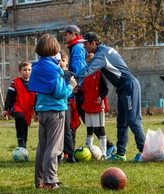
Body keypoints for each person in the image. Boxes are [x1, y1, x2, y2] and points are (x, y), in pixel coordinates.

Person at [75, 32, 146, 162]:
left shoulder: (101, 55)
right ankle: (120, 153)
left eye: (86, 44)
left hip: (129, 86)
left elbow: (89, 69)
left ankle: (144, 151)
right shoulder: (104, 50)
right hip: (122, 87)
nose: (84, 46)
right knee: (122, 122)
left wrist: (73, 78)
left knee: (133, 120)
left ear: (93, 43)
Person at [28, 34, 76, 189]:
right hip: (56, 111)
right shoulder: (55, 69)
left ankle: (39, 180)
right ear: (54, 49)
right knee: (54, 147)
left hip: (41, 111)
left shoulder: (35, 67)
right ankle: (51, 179)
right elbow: (60, 92)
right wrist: (71, 86)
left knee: (42, 146)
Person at [80, 52, 113, 159]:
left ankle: (104, 152)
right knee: (89, 128)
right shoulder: (85, 73)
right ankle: (88, 149)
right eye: (88, 62)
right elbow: (82, 90)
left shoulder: (100, 73)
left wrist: (100, 97)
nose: (90, 64)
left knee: (100, 128)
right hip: (88, 104)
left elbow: (105, 89)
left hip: (97, 105)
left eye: (92, 61)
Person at [3, 60, 36, 149]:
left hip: (28, 110)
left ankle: (23, 145)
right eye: (24, 70)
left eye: (29, 70)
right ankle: (20, 143)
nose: (27, 72)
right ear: (20, 71)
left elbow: (37, 99)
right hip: (17, 108)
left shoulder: (34, 83)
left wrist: (37, 112)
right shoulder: (15, 82)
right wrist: (6, 108)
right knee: (20, 120)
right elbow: (9, 96)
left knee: (25, 128)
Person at [60, 25, 87, 123]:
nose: (65, 37)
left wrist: (76, 84)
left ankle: (103, 138)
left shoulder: (77, 48)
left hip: (79, 85)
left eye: (66, 35)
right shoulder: (77, 46)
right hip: (80, 84)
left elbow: (78, 67)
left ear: (73, 34)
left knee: (84, 116)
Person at [58, 51, 79, 163]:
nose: (61, 63)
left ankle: (70, 155)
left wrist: (75, 88)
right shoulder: (56, 73)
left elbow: (76, 88)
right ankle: (58, 155)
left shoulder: (69, 74)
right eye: (59, 60)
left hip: (67, 104)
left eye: (64, 60)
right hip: (58, 103)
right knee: (57, 131)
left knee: (67, 130)